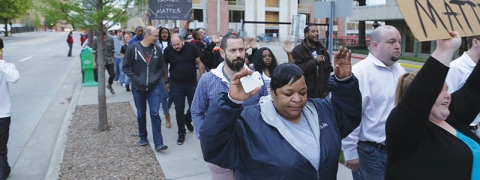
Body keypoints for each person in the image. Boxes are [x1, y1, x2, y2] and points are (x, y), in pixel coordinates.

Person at [199, 46, 361, 179]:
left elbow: (349, 116)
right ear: (272, 91)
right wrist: (230, 102)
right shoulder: (249, 122)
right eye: (288, 94)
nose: (297, 99)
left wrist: (344, 82)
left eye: (303, 92)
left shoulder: (321, 110)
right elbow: (214, 148)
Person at [385, 31, 480, 180]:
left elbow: (474, 90)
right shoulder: (404, 130)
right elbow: (420, 97)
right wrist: (445, 49)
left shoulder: (450, 119)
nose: (447, 95)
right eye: (440, 91)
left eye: (447, 89)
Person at [191, 33, 268, 180]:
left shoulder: (255, 78)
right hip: (219, 147)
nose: (238, 54)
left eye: (241, 49)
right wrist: (205, 136)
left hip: (250, 146)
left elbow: (265, 109)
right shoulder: (208, 80)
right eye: (233, 50)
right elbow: (196, 111)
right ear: (222, 52)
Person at [341, 25, 406, 180]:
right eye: (391, 42)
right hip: (370, 153)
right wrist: (349, 152)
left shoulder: (400, 71)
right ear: (375, 45)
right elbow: (350, 115)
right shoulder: (360, 73)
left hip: (396, 150)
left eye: (399, 41)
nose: (397, 46)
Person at [122, 26, 167, 151]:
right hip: (138, 88)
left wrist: (155, 79)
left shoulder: (157, 50)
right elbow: (126, 67)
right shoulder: (133, 48)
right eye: (155, 36)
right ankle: (143, 137)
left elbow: (161, 68)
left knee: (155, 113)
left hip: (154, 87)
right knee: (141, 113)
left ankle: (158, 143)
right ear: (147, 35)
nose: (157, 38)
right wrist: (137, 80)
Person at [164, 33, 205, 145]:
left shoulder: (191, 47)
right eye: (174, 45)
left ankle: (188, 119)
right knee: (179, 109)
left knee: (195, 107)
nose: (176, 46)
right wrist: (166, 81)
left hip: (191, 83)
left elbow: (200, 62)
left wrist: (202, 78)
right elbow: (165, 66)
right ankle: (181, 133)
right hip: (176, 84)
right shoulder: (168, 51)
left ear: (182, 41)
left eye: (177, 44)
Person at [445, 35, 480, 136]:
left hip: (474, 129)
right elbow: (447, 101)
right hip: (457, 129)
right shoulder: (455, 67)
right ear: (475, 42)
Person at [292, 25, 333, 98]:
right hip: (305, 94)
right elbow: (297, 71)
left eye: (317, 31)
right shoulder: (298, 51)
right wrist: (315, 62)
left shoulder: (323, 51)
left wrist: (326, 89)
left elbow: (328, 71)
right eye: (313, 31)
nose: (316, 34)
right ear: (306, 34)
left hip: (321, 95)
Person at [0, 52, 20, 180]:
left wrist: (0, 62)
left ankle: (2, 173)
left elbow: (14, 78)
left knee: (1, 147)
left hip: (2, 114)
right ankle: (5, 169)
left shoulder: (6, 66)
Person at [156, 27, 172, 128]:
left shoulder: (172, 44)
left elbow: (182, 33)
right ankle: (167, 116)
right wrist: (149, 19)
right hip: (162, 74)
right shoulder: (157, 44)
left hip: (173, 73)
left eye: (166, 33)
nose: (165, 34)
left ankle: (168, 105)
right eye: (163, 33)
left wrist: (188, 21)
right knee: (164, 95)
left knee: (173, 94)